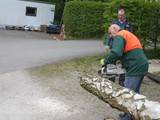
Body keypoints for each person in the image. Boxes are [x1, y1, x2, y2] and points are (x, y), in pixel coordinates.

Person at [101, 24, 148, 120]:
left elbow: (117, 53)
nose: (110, 36)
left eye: (110, 33)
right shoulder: (126, 33)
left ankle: (127, 117)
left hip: (135, 66)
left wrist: (105, 61)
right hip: (141, 64)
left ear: (115, 29)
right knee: (135, 94)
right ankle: (134, 115)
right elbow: (124, 51)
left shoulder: (119, 35)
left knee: (127, 95)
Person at [105, 8, 133, 86]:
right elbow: (109, 34)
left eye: (122, 15)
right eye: (119, 15)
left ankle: (121, 80)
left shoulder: (128, 24)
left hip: (124, 47)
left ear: (125, 15)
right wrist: (107, 44)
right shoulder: (114, 23)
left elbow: (130, 35)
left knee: (123, 63)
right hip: (114, 46)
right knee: (112, 62)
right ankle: (111, 78)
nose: (120, 16)